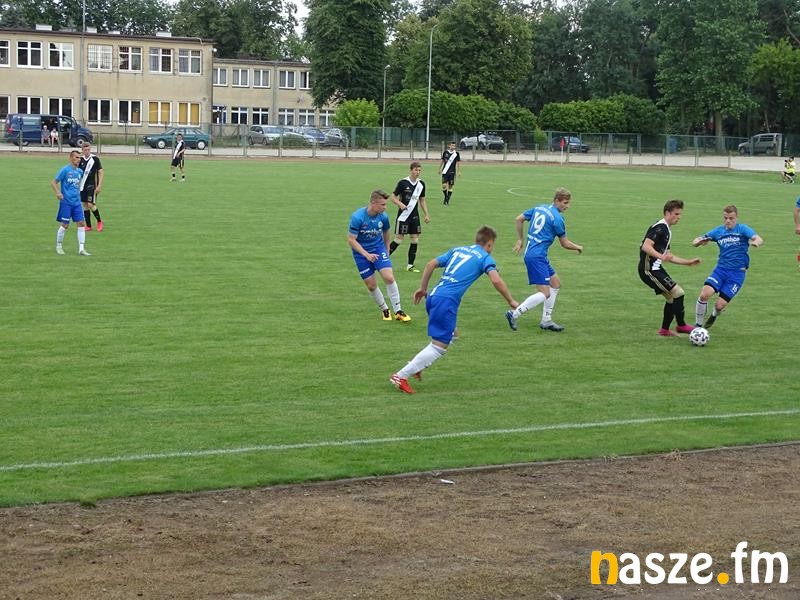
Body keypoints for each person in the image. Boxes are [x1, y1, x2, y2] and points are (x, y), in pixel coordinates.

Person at [390, 225, 517, 394]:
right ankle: (401, 376)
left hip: (433, 296)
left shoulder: (458, 250)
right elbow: (496, 280)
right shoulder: (485, 258)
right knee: (439, 345)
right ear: (489, 244)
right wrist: (510, 300)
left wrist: (423, 288)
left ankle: (418, 365)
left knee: (453, 335)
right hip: (446, 301)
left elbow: (430, 264)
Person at [505, 187, 583, 333]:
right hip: (537, 257)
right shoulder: (558, 219)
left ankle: (546, 320)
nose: (567, 206)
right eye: (565, 203)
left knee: (555, 284)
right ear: (557, 200)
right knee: (545, 293)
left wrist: (520, 239)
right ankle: (514, 314)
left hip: (535, 255)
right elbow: (565, 244)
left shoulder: (539, 208)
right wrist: (578, 247)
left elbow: (519, 218)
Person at [692, 205, 762, 329]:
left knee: (719, 306)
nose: (728, 221)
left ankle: (714, 315)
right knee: (704, 294)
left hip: (737, 274)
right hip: (720, 270)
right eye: (725, 218)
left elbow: (758, 238)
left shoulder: (742, 229)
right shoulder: (719, 231)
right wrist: (698, 242)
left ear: (736, 217)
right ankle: (697, 326)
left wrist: (755, 243)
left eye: (731, 218)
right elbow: (697, 240)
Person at [637, 199, 700, 336]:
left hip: (656, 269)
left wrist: (688, 262)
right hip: (648, 270)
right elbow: (646, 246)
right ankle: (681, 325)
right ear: (667, 213)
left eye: (680, 214)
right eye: (676, 214)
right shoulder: (660, 228)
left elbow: (669, 256)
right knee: (679, 293)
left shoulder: (667, 230)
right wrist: (661, 256)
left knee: (672, 299)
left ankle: (664, 330)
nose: (679, 217)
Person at [348, 189, 412, 322]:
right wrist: (366, 255)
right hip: (361, 253)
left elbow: (386, 232)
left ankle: (398, 311)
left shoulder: (383, 217)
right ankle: (385, 309)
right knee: (371, 285)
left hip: (378, 249)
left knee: (389, 277)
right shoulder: (358, 217)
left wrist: (387, 249)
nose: (385, 207)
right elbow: (351, 240)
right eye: (382, 204)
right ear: (373, 203)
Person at [388, 161, 430, 272]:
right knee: (398, 240)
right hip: (403, 216)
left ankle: (410, 265)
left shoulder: (421, 184)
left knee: (415, 240)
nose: (418, 172)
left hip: (414, 216)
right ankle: (383, 260)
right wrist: (400, 204)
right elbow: (392, 197)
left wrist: (426, 214)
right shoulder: (403, 183)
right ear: (411, 170)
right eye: (416, 170)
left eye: (419, 170)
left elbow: (422, 200)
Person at [50, 150, 91, 256]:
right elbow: (54, 182)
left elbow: (78, 185)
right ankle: (59, 246)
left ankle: (81, 249)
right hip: (66, 202)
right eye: (76, 157)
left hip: (76, 202)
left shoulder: (80, 172)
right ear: (71, 158)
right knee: (65, 225)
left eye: (80, 157)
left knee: (81, 223)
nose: (79, 159)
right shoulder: (65, 170)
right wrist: (58, 192)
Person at [78, 142, 105, 232]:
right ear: (82, 150)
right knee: (84, 205)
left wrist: (99, 185)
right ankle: (88, 226)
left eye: (88, 149)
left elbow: (101, 172)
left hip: (92, 186)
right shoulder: (80, 160)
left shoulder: (95, 159)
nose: (87, 151)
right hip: (82, 186)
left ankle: (99, 221)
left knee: (90, 204)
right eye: (85, 150)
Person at [440, 140, 461, 205]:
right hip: (445, 171)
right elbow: (442, 161)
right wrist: (439, 168)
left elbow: (458, 163)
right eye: (452, 145)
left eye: (454, 146)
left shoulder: (456, 154)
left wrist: (459, 171)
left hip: (452, 172)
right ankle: (446, 197)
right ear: (449, 146)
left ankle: (447, 200)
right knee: (444, 186)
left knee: (450, 186)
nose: (453, 147)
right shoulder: (445, 152)